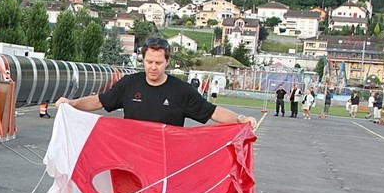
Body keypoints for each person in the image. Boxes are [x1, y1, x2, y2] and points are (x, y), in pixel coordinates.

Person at [55, 36, 255, 127]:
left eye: (158, 63)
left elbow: (213, 112)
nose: (153, 67)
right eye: (149, 61)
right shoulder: (129, 84)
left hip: (166, 162)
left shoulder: (181, 91)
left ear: (167, 62)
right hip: (131, 161)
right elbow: (99, 101)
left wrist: (240, 119)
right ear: (143, 60)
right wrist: (71, 104)